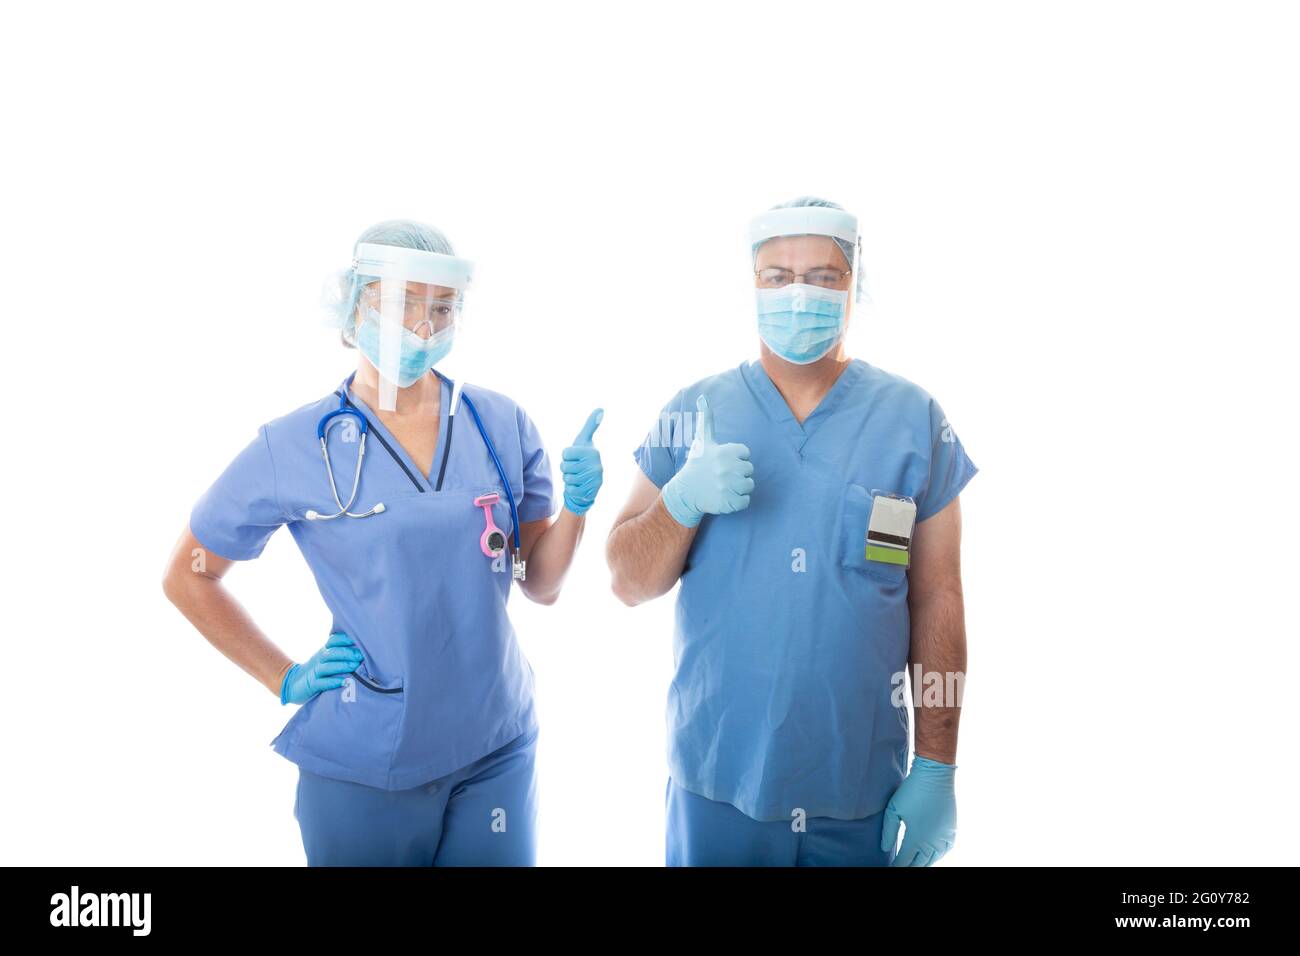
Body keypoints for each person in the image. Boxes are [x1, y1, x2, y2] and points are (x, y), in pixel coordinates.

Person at [162, 219, 604, 866]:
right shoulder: (293, 447)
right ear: (353, 303)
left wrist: (579, 510)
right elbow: (189, 574)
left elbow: (540, 585)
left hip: (497, 743)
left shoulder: (500, 423)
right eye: (402, 304)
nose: (423, 325)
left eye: (441, 307)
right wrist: (284, 677)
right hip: (367, 758)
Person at [606, 197, 977, 866]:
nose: (799, 295)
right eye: (779, 277)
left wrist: (937, 766)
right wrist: (682, 501)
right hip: (716, 789)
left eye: (823, 276)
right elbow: (626, 582)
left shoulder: (915, 420)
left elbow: (939, 599)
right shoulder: (693, 411)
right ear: (752, 286)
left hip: (859, 793)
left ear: (855, 285)